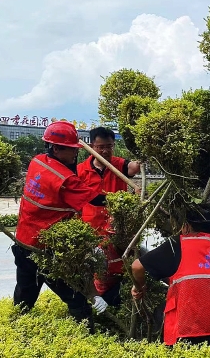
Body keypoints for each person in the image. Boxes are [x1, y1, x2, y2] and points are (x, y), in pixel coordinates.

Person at [12, 121, 110, 330]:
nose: (76, 154)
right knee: (75, 295)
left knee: (25, 292)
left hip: (23, 241)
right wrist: (124, 198)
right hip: (46, 250)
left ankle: (16, 326)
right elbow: (94, 199)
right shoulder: (63, 179)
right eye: (72, 150)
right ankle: (88, 334)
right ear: (56, 148)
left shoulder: (37, 161)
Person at [130, 207, 210, 351]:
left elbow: (136, 267)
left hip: (192, 333)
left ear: (187, 226)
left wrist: (140, 287)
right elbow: (193, 276)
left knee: (163, 314)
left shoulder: (178, 244)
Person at [77, 127, 141, 308]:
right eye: (101, 147)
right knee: (95, 272)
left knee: (119, 269)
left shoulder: (119, 165)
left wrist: (140, 160)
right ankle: (94, 303)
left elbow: (132, 167)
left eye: (109, 146)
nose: (105, 151)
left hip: (116, 230)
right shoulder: (80, 171)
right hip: (91, 231)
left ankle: (115, 303)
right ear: (91, 146)